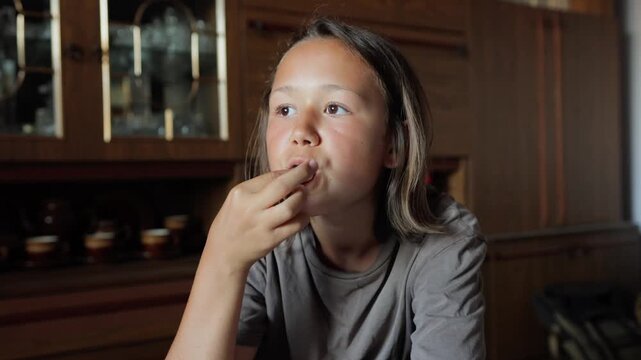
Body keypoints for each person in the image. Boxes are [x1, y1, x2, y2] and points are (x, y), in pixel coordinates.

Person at [167, 17, 486, 360]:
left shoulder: (445, 241)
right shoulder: (255, 240)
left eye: (334, 108)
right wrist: (222, 259)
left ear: (394, 144)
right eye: (285, 109)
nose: (300, 131)